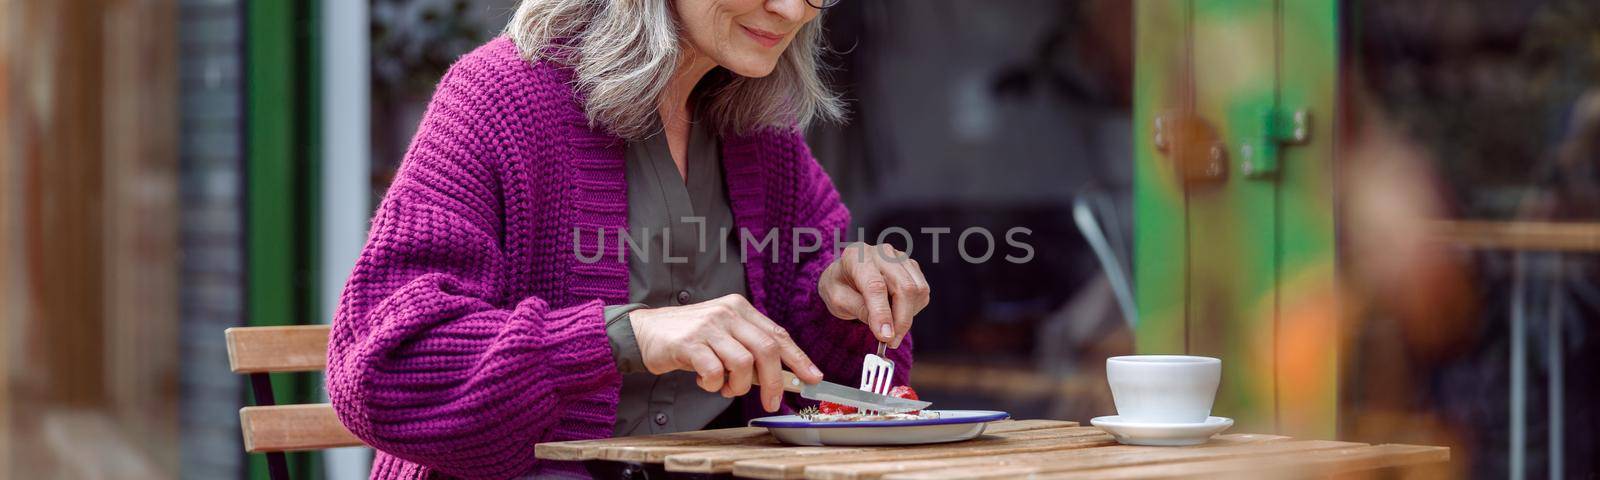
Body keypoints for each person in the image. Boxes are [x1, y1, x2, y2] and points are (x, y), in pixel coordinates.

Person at [326, 0, 931, 477]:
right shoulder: (498, 100)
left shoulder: (761, 133)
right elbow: (378, 369)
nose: (793, 9)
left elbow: (842, 396)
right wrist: (626, 335)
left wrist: (839, 304)